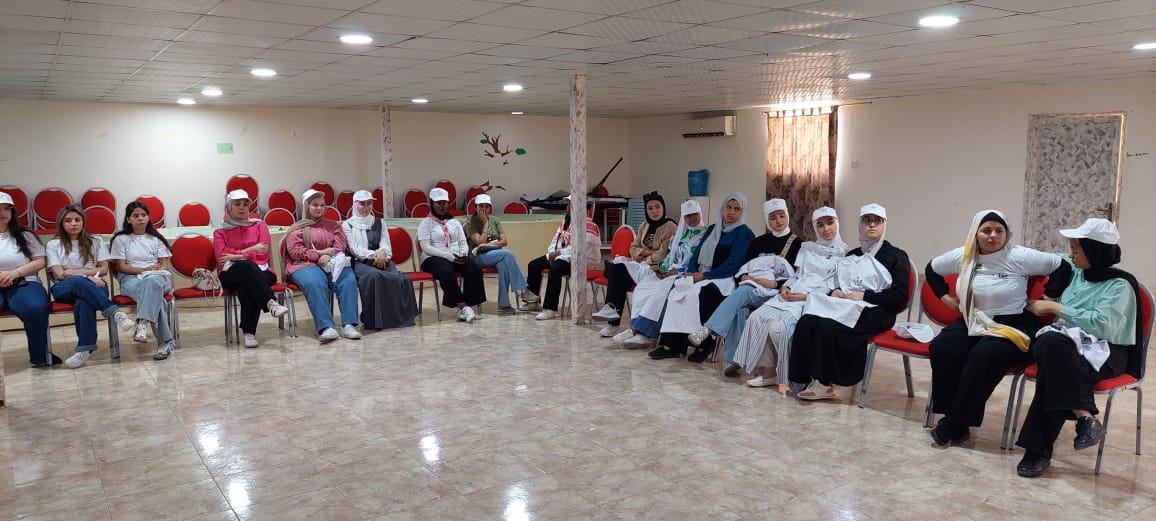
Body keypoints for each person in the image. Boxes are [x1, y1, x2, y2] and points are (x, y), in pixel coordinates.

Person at [1015, 218, 1142, 478]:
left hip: (1105, 350)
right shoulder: (1076, 269)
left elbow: (1102, 325)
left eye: (1076, 250)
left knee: (1054, 365)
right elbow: (1038, 258)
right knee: (1053, 347)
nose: (1070, 255)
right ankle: (1085, 418)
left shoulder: (1120, 285)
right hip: (1064, 344)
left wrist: (1055, 307)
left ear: (1095, 252)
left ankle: (1038, 452)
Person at [925, 210, 1062, 446]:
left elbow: (1062, 267)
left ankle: (954, 422)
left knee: (983, 355)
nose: (993, 236)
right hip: (973, 318)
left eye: (999, 231)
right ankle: (954, 417)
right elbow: (931, 270)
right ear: (975, 234)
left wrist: (1047, 297)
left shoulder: (1019, 256)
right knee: (943, 347)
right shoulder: (963, 255)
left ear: (1007, 234)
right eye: (986, 231)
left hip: (1012, 323)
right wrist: (945, 298)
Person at [788, 203, 911, 400]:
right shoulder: (853, 254)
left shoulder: (896, 256)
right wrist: (835, 291)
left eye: (877, 221)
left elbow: (900, 296)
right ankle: (801, 377)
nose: (872, 225)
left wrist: (864, 296)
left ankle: (826, 383)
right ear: (860, 224)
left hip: (879, 311)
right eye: (867, 220)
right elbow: (840, 283)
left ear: (884, 224)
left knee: (827, 327)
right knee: (807, 320)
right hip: (847, 306)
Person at [732, 207, 848, 391]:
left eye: (830, 223)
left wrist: (806, 296)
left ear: (837, 223)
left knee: (778, 328)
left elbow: (835, 287)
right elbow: (797, 275)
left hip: (815, 298)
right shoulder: (807, 248)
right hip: (794, 291)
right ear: (815, 227)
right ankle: (769, 372)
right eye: (820, 225)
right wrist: (786, 286)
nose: (826, 229)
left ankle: (796, 375)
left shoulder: (845, 254)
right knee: (757, 318)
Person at [687, 198, 802, 364]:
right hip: (754, 289)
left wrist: (773, 284)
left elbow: (799, 278)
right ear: (767, 220)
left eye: (781, 216)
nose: (778, 221)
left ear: (787, 217)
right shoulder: (759, 242)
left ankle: (710, 329)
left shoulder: (799, 245)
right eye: (773, 217)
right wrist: (744, 277)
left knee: (741, 296)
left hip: (779, 293)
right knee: (740, 307)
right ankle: (734, 361)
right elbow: (743, 268)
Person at [648, 193, 754, 361]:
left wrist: (704, 275)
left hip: (724, 278)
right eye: (728, 207)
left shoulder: (744, 233)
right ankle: (673, 345)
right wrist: (690, 272)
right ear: (723, 208)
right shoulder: (712, 229)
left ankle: (705, 344)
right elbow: (696, 255)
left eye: (737, 209)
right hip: (703, 274)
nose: (731, 212)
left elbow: (733, 264)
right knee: (679, 290)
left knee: (702, 293)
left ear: (742, 212)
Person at [46, 205, 137, 368]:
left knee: (83, 301)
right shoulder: (53, 244)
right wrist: (87, 276)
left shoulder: (96, 241)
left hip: (96, 285)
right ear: (61, 223)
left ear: (83, 221)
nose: (73, 224)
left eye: (77, 220)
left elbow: (104, 269)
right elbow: (59, 274)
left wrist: (76, 273)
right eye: (68, 221)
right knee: (79, 282)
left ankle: (85, 350)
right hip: (64, 288)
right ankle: (115, 313)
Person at [613, 200, 706, 347]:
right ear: (684, 217)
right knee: (643, 287)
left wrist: (677, 272)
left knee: (659, 292)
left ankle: (643, 332)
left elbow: (700, 263)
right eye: (688, 215)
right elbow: (669, 256)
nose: (692, 218)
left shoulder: (705, 235)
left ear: (700, 213)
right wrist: (662, 269)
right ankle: (636, 330)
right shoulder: (679, 234)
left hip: (685, 274)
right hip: (668, 272)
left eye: (695, 214)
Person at [592, 191, 676, 337]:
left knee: (616, 271)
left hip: (656, 270)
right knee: (618, 270)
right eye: (650, 208)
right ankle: (611, 313)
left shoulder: (670, 226)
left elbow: (663, 254)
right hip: (642, 266)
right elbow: (632, 249)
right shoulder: (644, 225)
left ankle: (612, 316)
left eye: (657, 207)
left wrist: (644, 256)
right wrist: (647, 252)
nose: (654, 211)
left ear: (663, 207)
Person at [213, 189, 290, 348]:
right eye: (237, 204)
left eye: (245, 204)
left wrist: (235, 255)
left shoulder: (260, 225)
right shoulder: (220, 231)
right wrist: (250, 250)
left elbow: (263, 253)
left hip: (262, 269)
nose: (242, 208)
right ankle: (270, 302)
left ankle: (249, 333)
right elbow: (221, 256)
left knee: (248, 281)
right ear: (229, 207)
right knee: (246, 268)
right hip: (230, 273)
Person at [285, 189, 362, 343]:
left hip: (331, 261)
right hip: (304, 264)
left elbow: (340, 244)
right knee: (315, 282)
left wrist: (328, 255)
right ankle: (326, 327)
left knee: (348, 280)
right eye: (315, 205)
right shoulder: (297, 228)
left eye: (322, 205)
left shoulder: (333, 225)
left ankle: (349, 324)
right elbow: (295, 251)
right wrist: (318, 254)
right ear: (306, 206)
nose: (319, 208)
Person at [109, 201, 176, 360]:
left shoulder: (157, 239)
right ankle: (165, 343)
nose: (140, 219)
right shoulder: (120, 239)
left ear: (148, 217)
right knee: (157, 299)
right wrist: (145, 270)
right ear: (128, 219)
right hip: (131, 280)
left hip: (158, 278)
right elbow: (121, 267)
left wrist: (155, 270)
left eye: (143, 215)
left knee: (153, 282)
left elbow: (164, 265)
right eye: (135, 216)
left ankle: (142, 323)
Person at [342, 189, 417, 330]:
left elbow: (385, 243)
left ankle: (396, 318)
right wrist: (376, 254)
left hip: (381, 260)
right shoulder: (347, 225)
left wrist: (383, 252)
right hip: (359, 262)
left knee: (402, 279)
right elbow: (354, 249)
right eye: (362, 204)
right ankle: (375, 320)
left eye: (369, 203)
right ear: (355, 204)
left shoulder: (379, 222)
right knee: (374, 276)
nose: (366, 207)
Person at [524, 195, 601, 321]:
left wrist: (558, 254)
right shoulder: (566, 221)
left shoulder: (588, 224)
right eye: (568, 204)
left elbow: (580, 248)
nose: (567, 206)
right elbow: (556, 239)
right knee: (534, 265)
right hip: (563, 256)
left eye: (570, 204)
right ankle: (533, 301)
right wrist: (551, 253)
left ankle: (550, 309)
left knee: (555, 269)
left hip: (581, 260)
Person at [0, 192, 54, 367]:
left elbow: (40, 261)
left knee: (36, 308)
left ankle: (40, 357)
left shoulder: (25, 235)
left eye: (6, 209)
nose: (2, 213)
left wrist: (14, 273)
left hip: (24, 281)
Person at [418, 187, 485, 322]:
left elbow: (462, 242)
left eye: (445, 203)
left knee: (474, 268)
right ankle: (462, 306)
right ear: (432, 203)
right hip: (433, 257)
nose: (443, 206)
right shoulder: (426, 223)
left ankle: (468, 304)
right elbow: (425, 247)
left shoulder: (454, 222)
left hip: (455, 256)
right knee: (446, 271)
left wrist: (463, 253)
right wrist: (446, 256)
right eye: (439, 203)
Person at [466, 193, 535, 315]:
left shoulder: (495, 220)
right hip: (478, 257)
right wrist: (485, 224)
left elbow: (504, 241)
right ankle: (523, 289)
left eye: (487, 206)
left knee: (503, 265)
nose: (484, 209)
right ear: (475, 208)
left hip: (495, 253)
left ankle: (504, 305)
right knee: (508, 254)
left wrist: (489, 244)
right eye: (481, 206)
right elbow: (479, 242)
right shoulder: (471, 221)